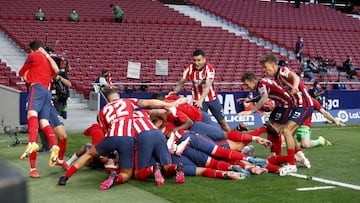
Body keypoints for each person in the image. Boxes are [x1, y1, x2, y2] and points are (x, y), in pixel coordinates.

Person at [58, 89, 184, 188]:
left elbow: (105, 130)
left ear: (108, 100)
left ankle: (66, 177)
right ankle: (118, 176)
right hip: (130, 139)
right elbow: (150, 103)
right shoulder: (128, 102)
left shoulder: (103, 110)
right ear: (118, 96)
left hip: (113, 137)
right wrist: (169, 104)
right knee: (128, 173)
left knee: (89, 154)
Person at [259, 54, 314, 174]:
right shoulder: (277, 77)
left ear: (273, 65)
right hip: (297, 106)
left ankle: (291, 164)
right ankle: (300, 156)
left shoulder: (282, 71)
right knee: (290, 133)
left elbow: (296, 77)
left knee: (286, 131)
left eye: (265, 67)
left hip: (304, 105)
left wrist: (294, 87)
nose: (264, 70)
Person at [18, 40, 60, 177]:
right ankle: (54, 146)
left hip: (37, 90)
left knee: (31, 115)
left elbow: (21, 72)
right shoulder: (47, 62)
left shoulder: (33, 57)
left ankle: (32, 144)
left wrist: (24, 73)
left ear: (32, 50)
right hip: (47, 94)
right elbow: (56, 71)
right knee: (44, 123)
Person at [171, 49, 231, 132]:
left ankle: (234, 140)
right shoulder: (190, 68)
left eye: (199, 60)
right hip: (197, 100)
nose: (196, 63)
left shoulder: (209, 69)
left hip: (212, 99)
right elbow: (181, 82)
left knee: (222, 123)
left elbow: (207, 87)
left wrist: (201, 100)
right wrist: (174, 92)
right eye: (194, 60)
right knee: (199, 124)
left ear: (204, 60)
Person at [238, 72, 293, 157]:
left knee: (274, 129)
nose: (247, 87)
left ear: (253, 81)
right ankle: (274, 153)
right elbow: (262, 96)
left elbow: (264, 99)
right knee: (270, 127)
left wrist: (251, 111)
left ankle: (278, 154)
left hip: (286, 105)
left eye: (247, 84)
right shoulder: (262, 84)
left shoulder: (262, 84)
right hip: (281, 104)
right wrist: (248, 101)